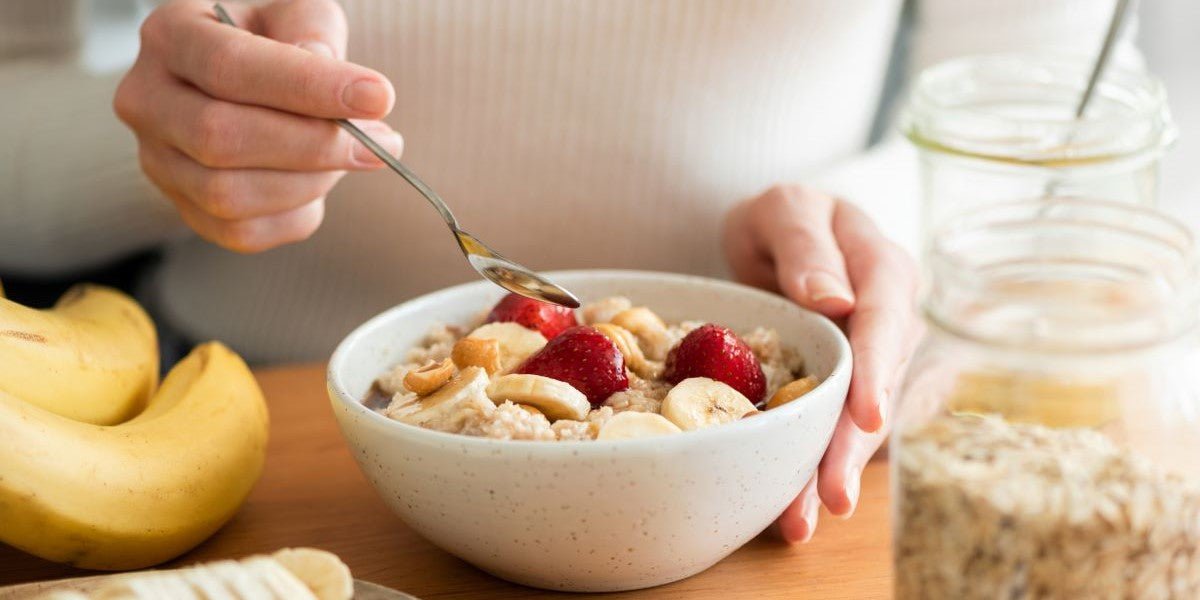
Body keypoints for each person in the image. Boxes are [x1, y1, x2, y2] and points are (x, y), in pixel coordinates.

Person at [0, 0, 1146, 544]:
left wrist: (872, 223)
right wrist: (171, 146)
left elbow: (1061, 107)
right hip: (264, 442)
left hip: (767, 468)